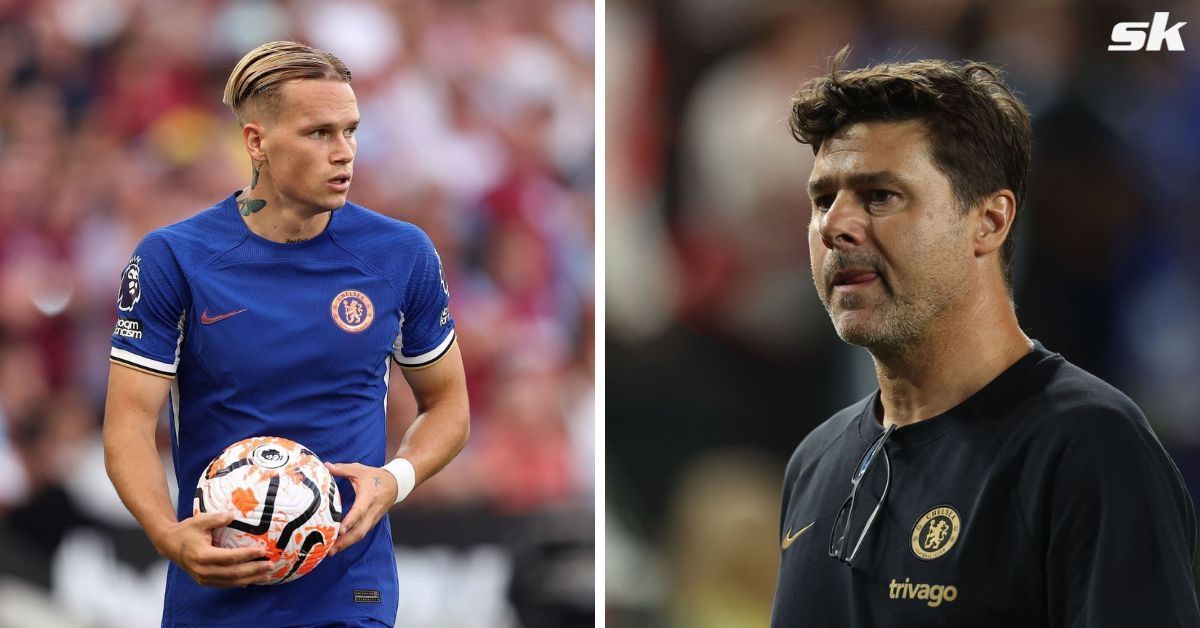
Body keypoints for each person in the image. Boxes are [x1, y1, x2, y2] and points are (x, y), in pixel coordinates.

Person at [771, 47, 1200, 627]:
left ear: (990, 221)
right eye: (823, 199)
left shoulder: (1088, 448)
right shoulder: (814, 462)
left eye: (880, 196)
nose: (834, 226)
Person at [102, 41, 470, 627]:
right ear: (257, 143)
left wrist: (395, 480)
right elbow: (127, 423)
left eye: (351, 130)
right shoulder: (175, 259)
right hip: (217, 590)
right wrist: (170, 537)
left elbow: (448, 403)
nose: (344, 153)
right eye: (319, 133)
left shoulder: (400, 255)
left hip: (350, 591)